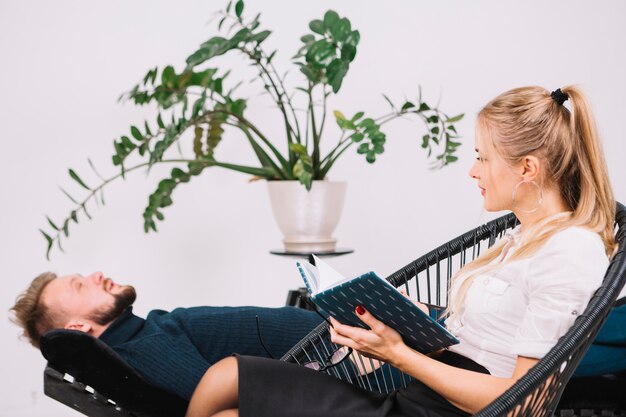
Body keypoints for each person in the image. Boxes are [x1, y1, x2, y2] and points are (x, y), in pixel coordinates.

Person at [183, 85, 617, 417]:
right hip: (422, 390)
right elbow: (485, 335)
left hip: (444, 408)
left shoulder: (570, 251)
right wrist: (409, 314)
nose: (473, 170)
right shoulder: (524, 237)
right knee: (226, 375)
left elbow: (523, 402)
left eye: (483, 158)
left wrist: (399, 354)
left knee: (228, 401)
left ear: (527, 168)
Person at [9, 271, 323, 401]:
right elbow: (216, 392)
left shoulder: (148, 330)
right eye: (80, 286)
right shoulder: (142, 348)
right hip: (339, 361)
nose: (97, 275)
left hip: (332, 341)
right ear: (78, 328)